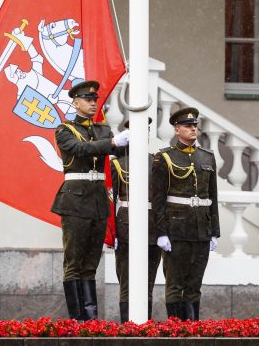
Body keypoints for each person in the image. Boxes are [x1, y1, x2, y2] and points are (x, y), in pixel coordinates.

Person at [51, 80, 130, 320]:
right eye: (88, 99)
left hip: (96, 201)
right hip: (74, 201)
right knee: (74, 262)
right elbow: (80, 150)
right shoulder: (64, 130)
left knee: (90, 263)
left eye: (95, 100)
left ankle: (90, 318)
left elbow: (120, 152)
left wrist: (134, 136)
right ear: (75, 103)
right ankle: (77, 318)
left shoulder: (103, 130)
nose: (93, 103)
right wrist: (113, 143)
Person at [152, 107, 220, 321]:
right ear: (176, 130)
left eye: (194, 125)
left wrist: (214, 232)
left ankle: (192, 329)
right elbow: (158, 199)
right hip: (176, 229)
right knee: (175, 284)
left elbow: (213, 197)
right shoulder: (164, 157)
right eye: (187, 126)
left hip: (201, 228)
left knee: (194, 284)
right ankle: (176, 330)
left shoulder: (207, 158)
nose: (192, 129)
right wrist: (161, 232)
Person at [111, 117, 161, 323]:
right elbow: (111, 198)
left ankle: (145, 326)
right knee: (127, 282)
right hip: (126, 227)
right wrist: (111, 231)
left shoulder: (157, 162)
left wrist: (164, 229)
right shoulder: (118, 163)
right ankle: (126, 327)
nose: (144, 135)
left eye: (146, 131)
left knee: (148, 282)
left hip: (152, 228)